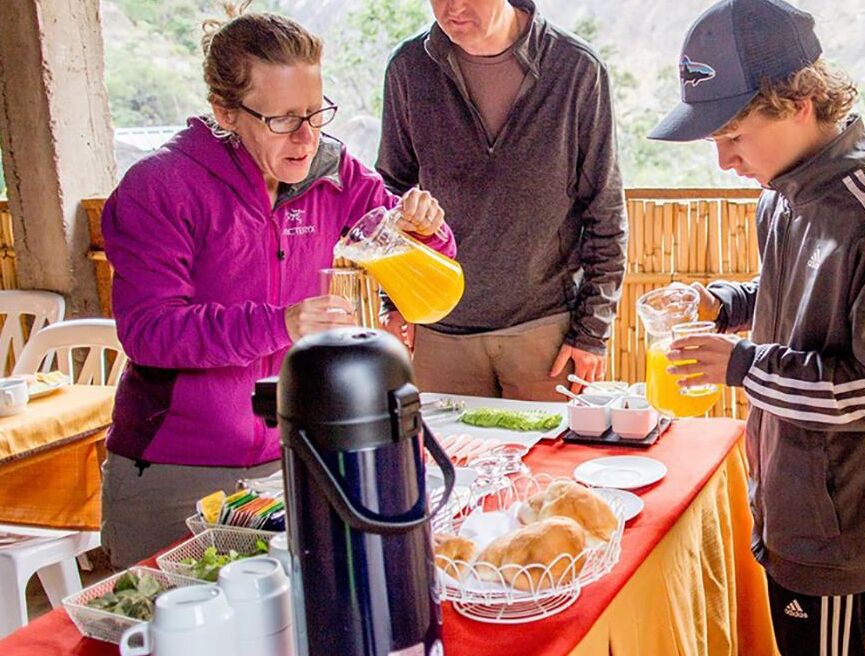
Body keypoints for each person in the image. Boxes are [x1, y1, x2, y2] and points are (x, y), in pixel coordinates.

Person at [649, 1, 865, 656]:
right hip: (789, 491)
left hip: (839, 516)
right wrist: (722, 301)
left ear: (800, 103)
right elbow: (786, 301)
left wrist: (740, 365)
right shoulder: (786, 193)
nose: (724, 160)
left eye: (733, 137)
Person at [100, 3, 456, 567]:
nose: (306, 137)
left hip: (296, 457)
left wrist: (427, 233)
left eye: (316, 113)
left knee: (299, 638)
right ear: (225, 110)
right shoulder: (161, 187)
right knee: (169, 645)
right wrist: (281, 323)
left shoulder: (338, 177)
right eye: (283, 119)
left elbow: (417, 262)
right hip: (174, 472)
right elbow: (149, 331)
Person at [377, 0, 627, 401]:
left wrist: (591, 333)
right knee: (448, 462)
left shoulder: (576, 68)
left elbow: (605, 208)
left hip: (545, 331)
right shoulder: (409, 68)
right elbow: (390, 191)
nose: (451, 7)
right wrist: (394, 301)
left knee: (551, 464)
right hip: (437, 332)